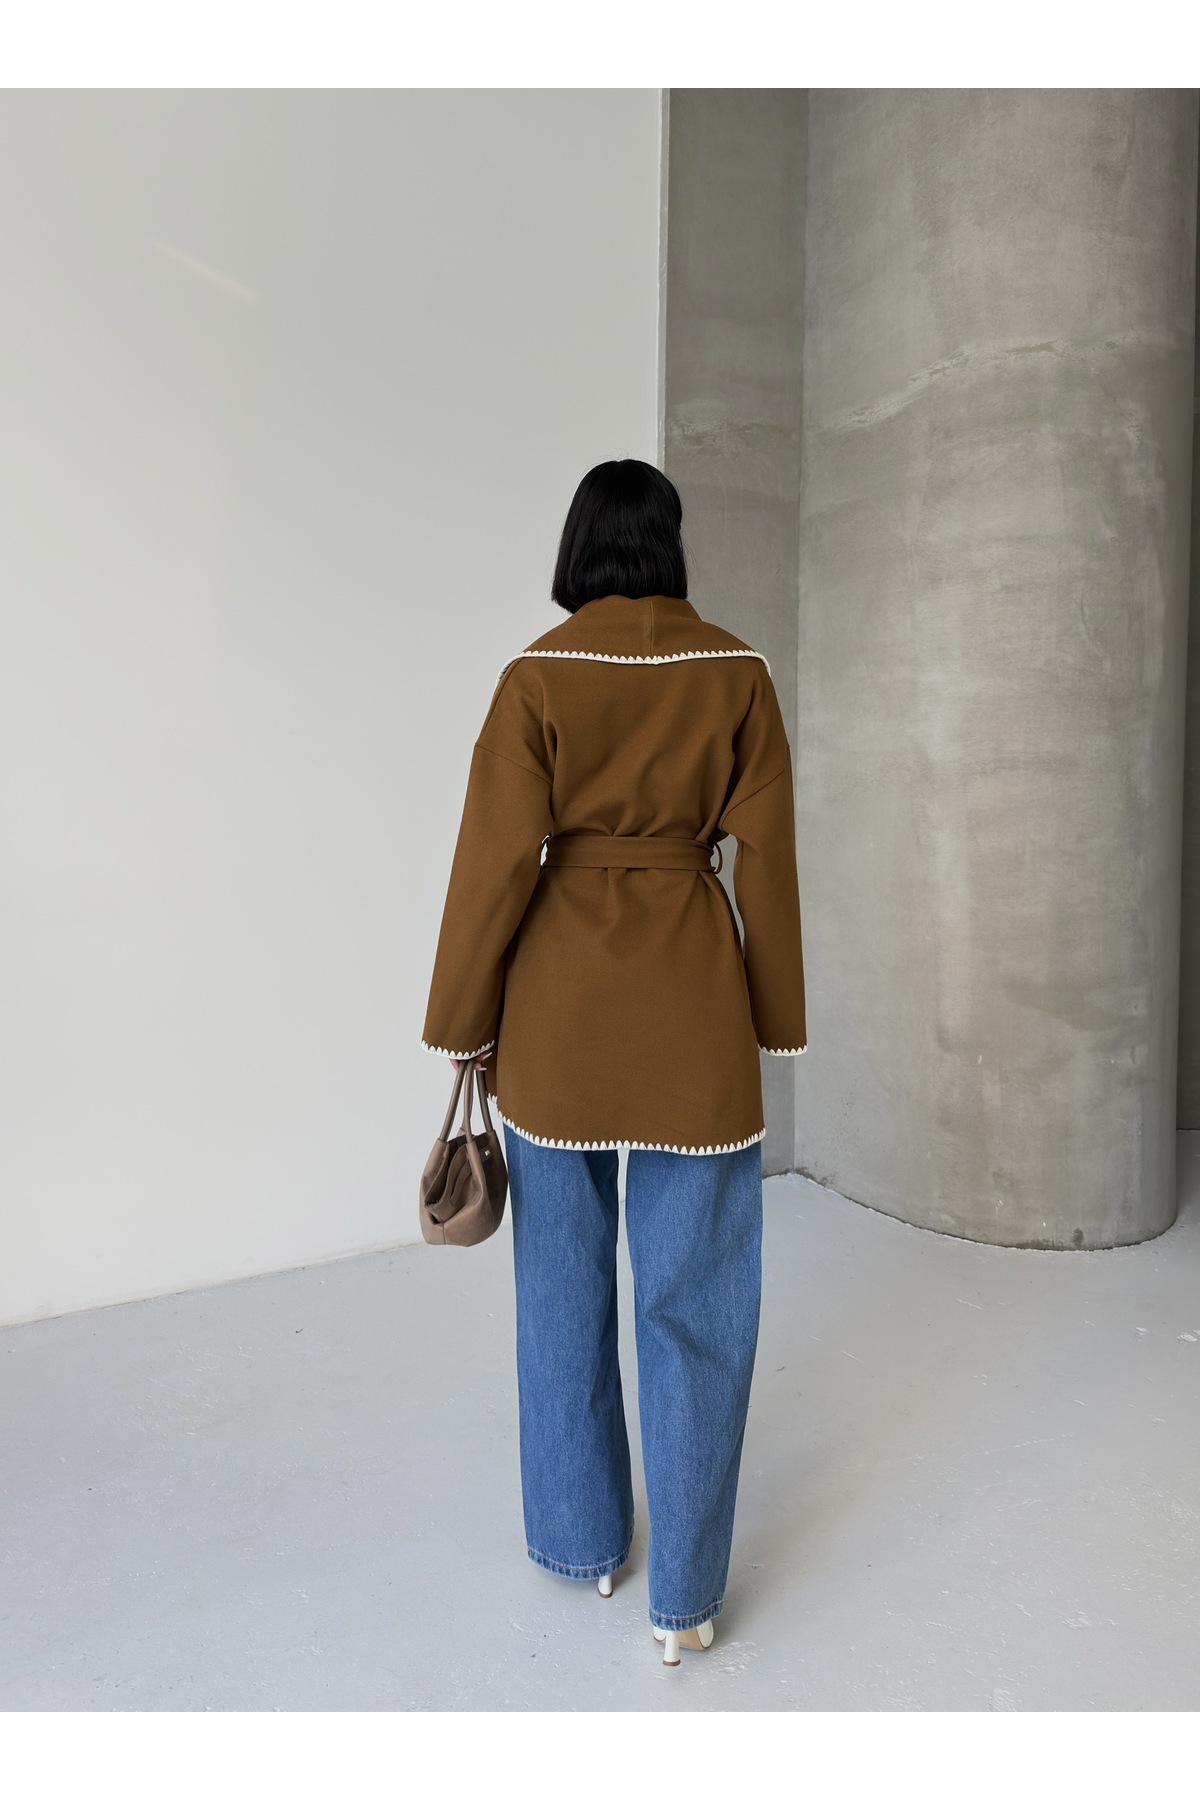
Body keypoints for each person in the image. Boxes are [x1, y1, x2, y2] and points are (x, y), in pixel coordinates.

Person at [421, 458, 807, 1667]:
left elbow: (494, 864)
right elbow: (768, 861)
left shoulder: (535, 676)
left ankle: (586, 1544)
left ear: (578, 547)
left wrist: (462, 1020)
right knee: (699, 1306)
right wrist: (776, 1016)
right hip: (694, 1009)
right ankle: (684, 1597)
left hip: (560, 1015)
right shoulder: (737, 672)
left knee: (562, 1290)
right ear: (671, 544)